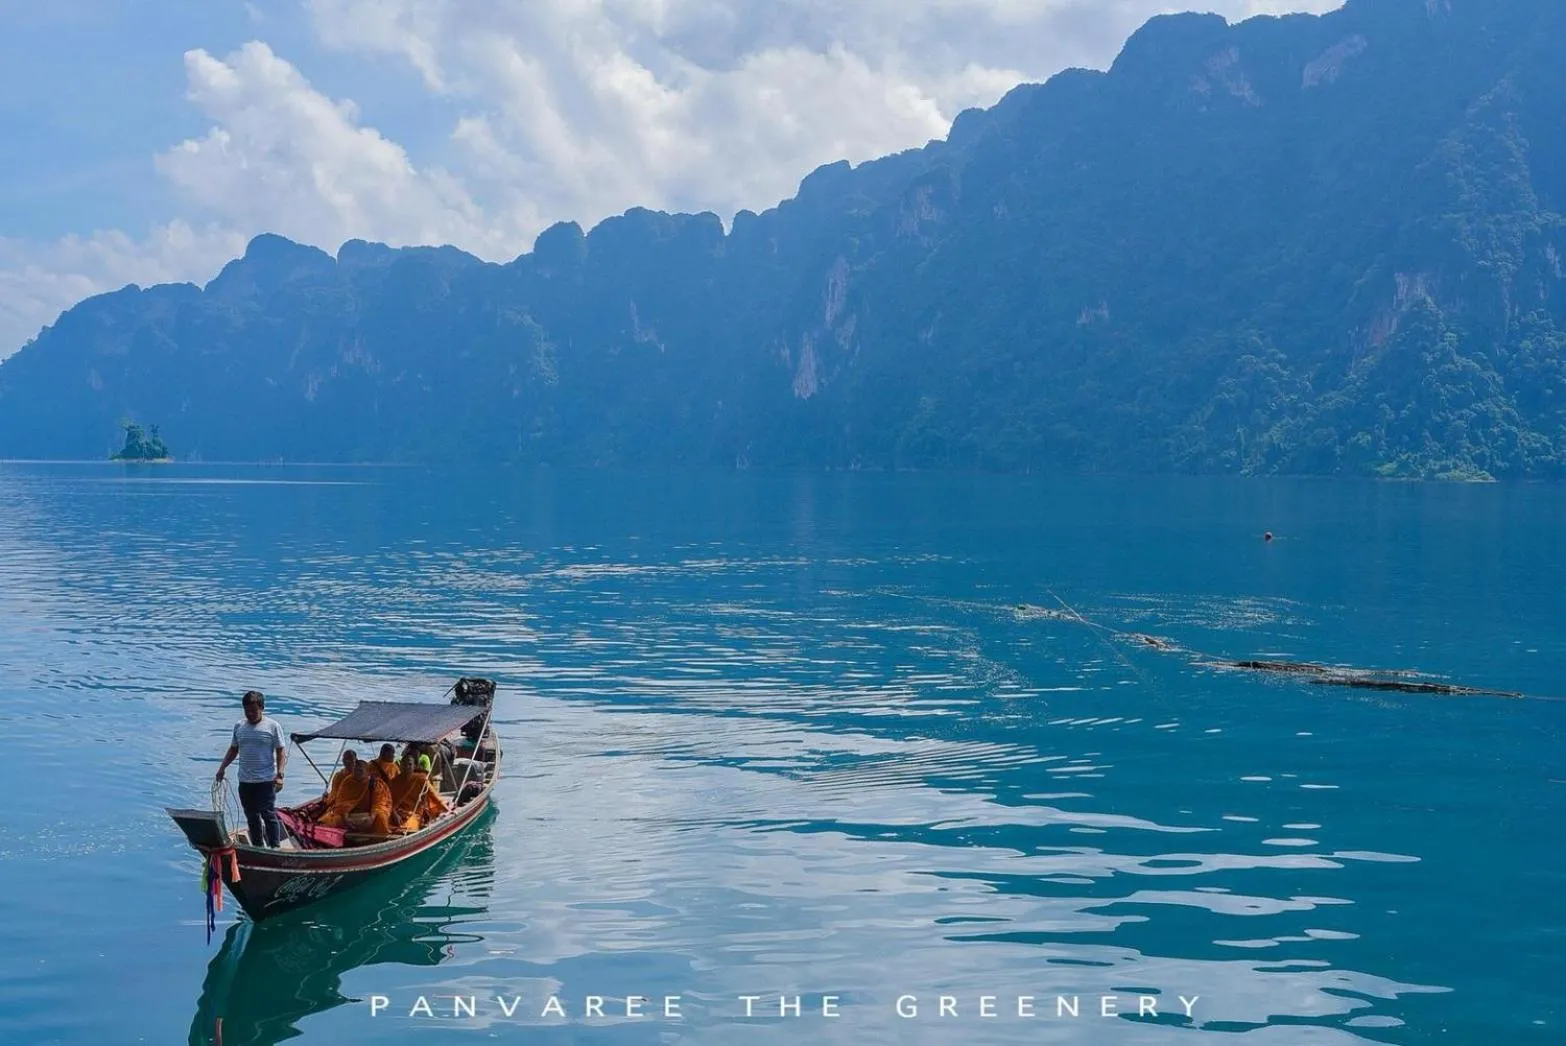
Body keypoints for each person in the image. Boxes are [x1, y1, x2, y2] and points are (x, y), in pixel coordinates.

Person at [214, 690, 287, 848]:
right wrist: (222, 768)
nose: (250, 714)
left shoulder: (273, 726)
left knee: (268, 814)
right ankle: (258, 846)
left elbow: (281, 750)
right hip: (245, 780)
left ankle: (275, 846)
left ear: (261, 708)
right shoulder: (239, 726)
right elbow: (234, 749)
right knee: (251, 816)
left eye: (253, 710)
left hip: (266, 780)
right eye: (247, 710)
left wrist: (280, 773)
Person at [318, 751, 369, 827]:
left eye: (350, 760)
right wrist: (328, 799)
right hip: (342, 804)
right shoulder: (341, 776)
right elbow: (336, 794)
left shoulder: (367, 779)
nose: (347, 762)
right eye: (345, 760)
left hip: (360, 805)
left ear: (356, 760)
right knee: (331, 818)